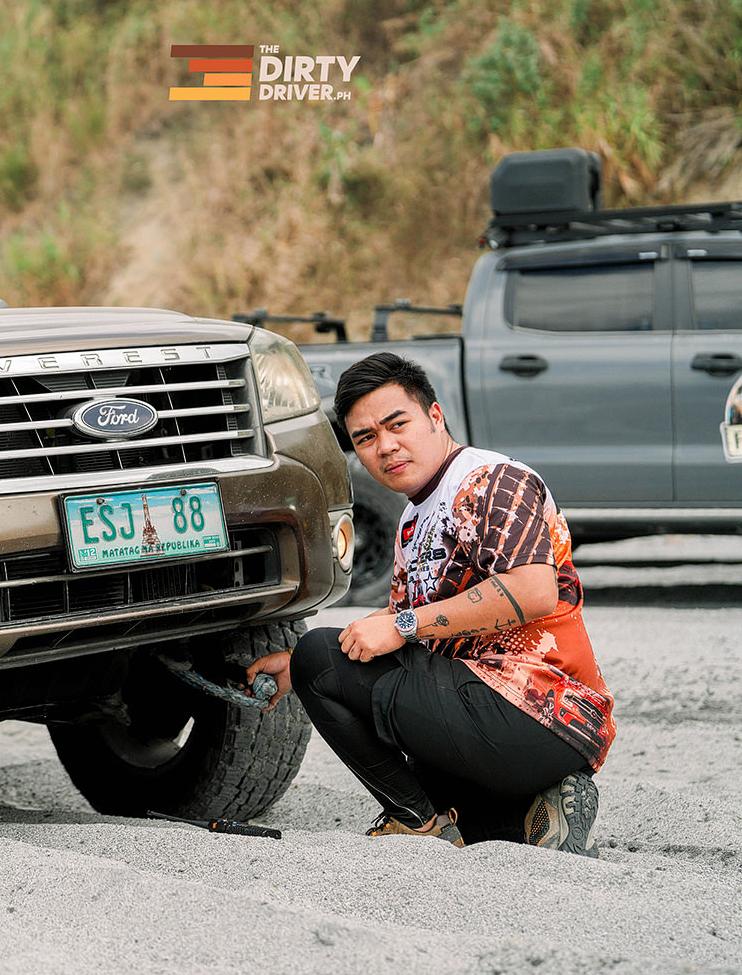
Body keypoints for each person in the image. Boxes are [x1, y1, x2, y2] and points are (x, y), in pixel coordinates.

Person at [246, 352, 614, 855]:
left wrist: (372, 637)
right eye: (365, 438)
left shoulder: (491, 479)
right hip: (511, 727)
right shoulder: (414, 519)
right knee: (446, 800)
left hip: (533, 709)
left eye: (397, 424)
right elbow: (411, 620)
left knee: (321, 656)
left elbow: (532, 589)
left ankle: (417, 823)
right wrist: (298, 666)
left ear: (435, 416)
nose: (386, 446)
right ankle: (539, 806)